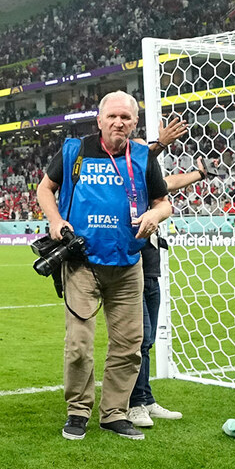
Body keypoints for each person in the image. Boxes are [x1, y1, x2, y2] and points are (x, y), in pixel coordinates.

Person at [35, 91, 170, 441]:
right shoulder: (74, 151)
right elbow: (45, 189)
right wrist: (54, 220)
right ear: (99, 120)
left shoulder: (142, 156)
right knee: (79, 344)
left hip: (128, 264)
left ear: (135, 123)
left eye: (126, 117)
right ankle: (78, 411)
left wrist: (155, 215)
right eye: (112, 116)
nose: (118, 122)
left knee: (129, 344)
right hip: (82, 264)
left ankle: (114, 413)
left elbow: (163, 202)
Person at [127, 115, 204, 427]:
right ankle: (133, 404)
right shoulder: (127, 177)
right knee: (138, 338)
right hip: (132, 266)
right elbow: (136, 161)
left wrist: (199, 174)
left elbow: (168, 183)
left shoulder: (150, 182)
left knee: (146, 341)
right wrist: (160, 143)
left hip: (152, 267)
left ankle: (145, 398)